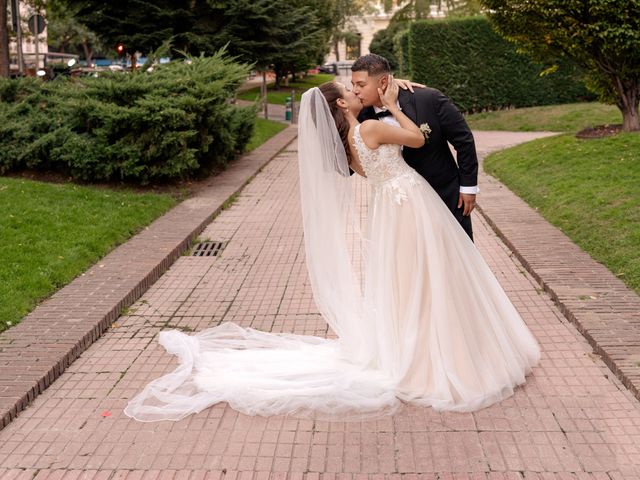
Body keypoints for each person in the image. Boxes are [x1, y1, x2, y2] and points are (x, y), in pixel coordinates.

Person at [123, 77, 540, 423]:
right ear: (342, 102)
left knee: (407, 281)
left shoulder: (349, 143)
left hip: (389, 211)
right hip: (409, 206)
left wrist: (400, 91)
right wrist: (395, 104)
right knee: (427, 276)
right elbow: (414, 137)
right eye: (351, 88)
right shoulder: (372, 128)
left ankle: (418, 347)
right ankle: (434, 357)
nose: (358, 91)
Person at [352, 54, 478, 240]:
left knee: (457, 256)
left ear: (384, 81)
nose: (355, 91)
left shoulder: (428, 98)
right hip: (400, 208)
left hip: (444, 194)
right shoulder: (361, 117)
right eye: (353, 85)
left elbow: (463, 140)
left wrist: (468, 187)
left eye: (361, 85)